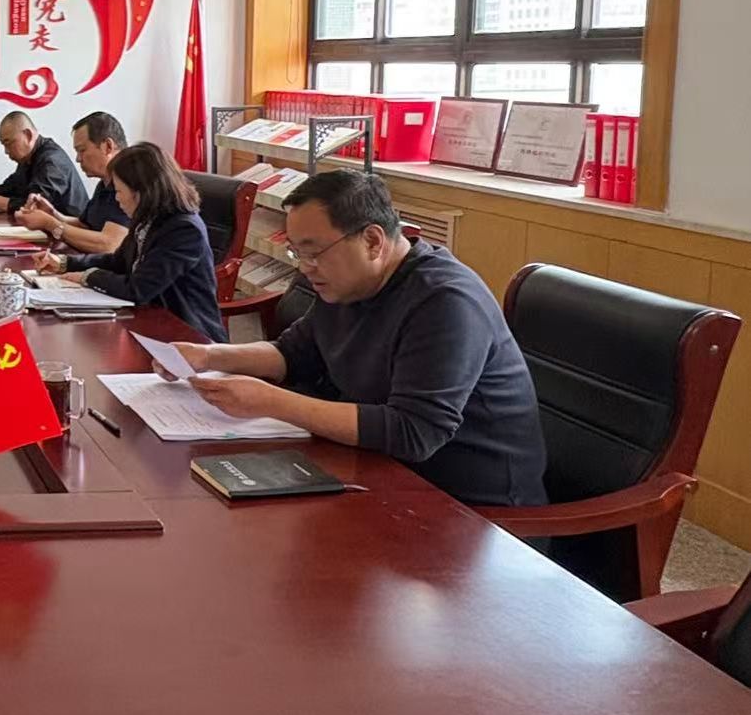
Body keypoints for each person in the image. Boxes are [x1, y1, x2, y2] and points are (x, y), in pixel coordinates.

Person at [169, 169, 546, 508]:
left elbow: (414, 432)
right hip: (378, 473)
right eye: (297, 252)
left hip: (471, 510)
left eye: (314, 252)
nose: (305, 267)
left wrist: (270, 401)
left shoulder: (446, 301)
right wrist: (209, 356)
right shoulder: (349, 283)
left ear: (372, 241)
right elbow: (293, 354)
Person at [39, 142, 223, 342]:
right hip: (151, 323)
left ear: (141, 191)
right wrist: (65, 263)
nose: (117, 199)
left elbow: (138, 289)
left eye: (119, 191)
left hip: (188, 335)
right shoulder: (148, 218)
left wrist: (89, 277)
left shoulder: (183, 229)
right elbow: (118, 261)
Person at [15, 111, 131, 256]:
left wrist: (50, 224)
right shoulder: (104, 183)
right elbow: (86, 225)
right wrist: (53, 214)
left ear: (108, 146)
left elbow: (108, 245)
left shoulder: (129, 181)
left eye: (82, 150)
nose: (78, 159)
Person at [0, 110, 89, 218]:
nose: (6, 151)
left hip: (73, 232)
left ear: (28, 135)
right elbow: (11, 188)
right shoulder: (28, 158)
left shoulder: (52, 161)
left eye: (8, 143)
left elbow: (34, 206)